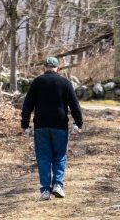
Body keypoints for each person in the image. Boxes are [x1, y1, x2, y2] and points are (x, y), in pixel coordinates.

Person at [21, 56, 83, 201]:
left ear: (44, 68)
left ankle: (45, 191)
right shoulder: (65, 83)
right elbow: (75, 105)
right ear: (58, 68)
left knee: (43, 158)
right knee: (60, 156)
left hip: (41, 127)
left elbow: (27, 106)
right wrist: (78, 123)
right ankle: (57, 185)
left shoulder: (37, 82)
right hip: (60, 126)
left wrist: (25, 125)